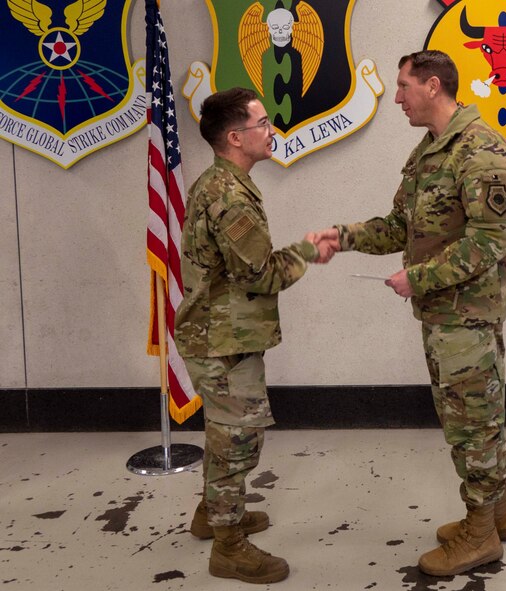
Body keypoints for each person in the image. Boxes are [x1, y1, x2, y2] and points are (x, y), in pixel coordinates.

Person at [309, 50, 506, 577]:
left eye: (404, 87)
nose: (398, 98)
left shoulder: (481, 150)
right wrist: (347, 236)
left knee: (472, 424)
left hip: (467, 316)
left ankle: (480, 535)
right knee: (470, 417)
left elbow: (492, 239)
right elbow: (400, 225)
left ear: (432, 85)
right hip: (442, 315)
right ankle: (499, 514)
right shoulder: (429, 152)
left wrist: (419, 277)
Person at [174, 87, 332, 585]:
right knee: (237, 440)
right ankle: (228, 547)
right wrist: (306, 251)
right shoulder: (228, 197)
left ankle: (212, 514)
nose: (272, 131)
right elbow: (261, 274)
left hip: (224, 333)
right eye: (263, 124)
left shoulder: (224, 185)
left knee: (226, 433)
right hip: (221, 339)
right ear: (236, 137)